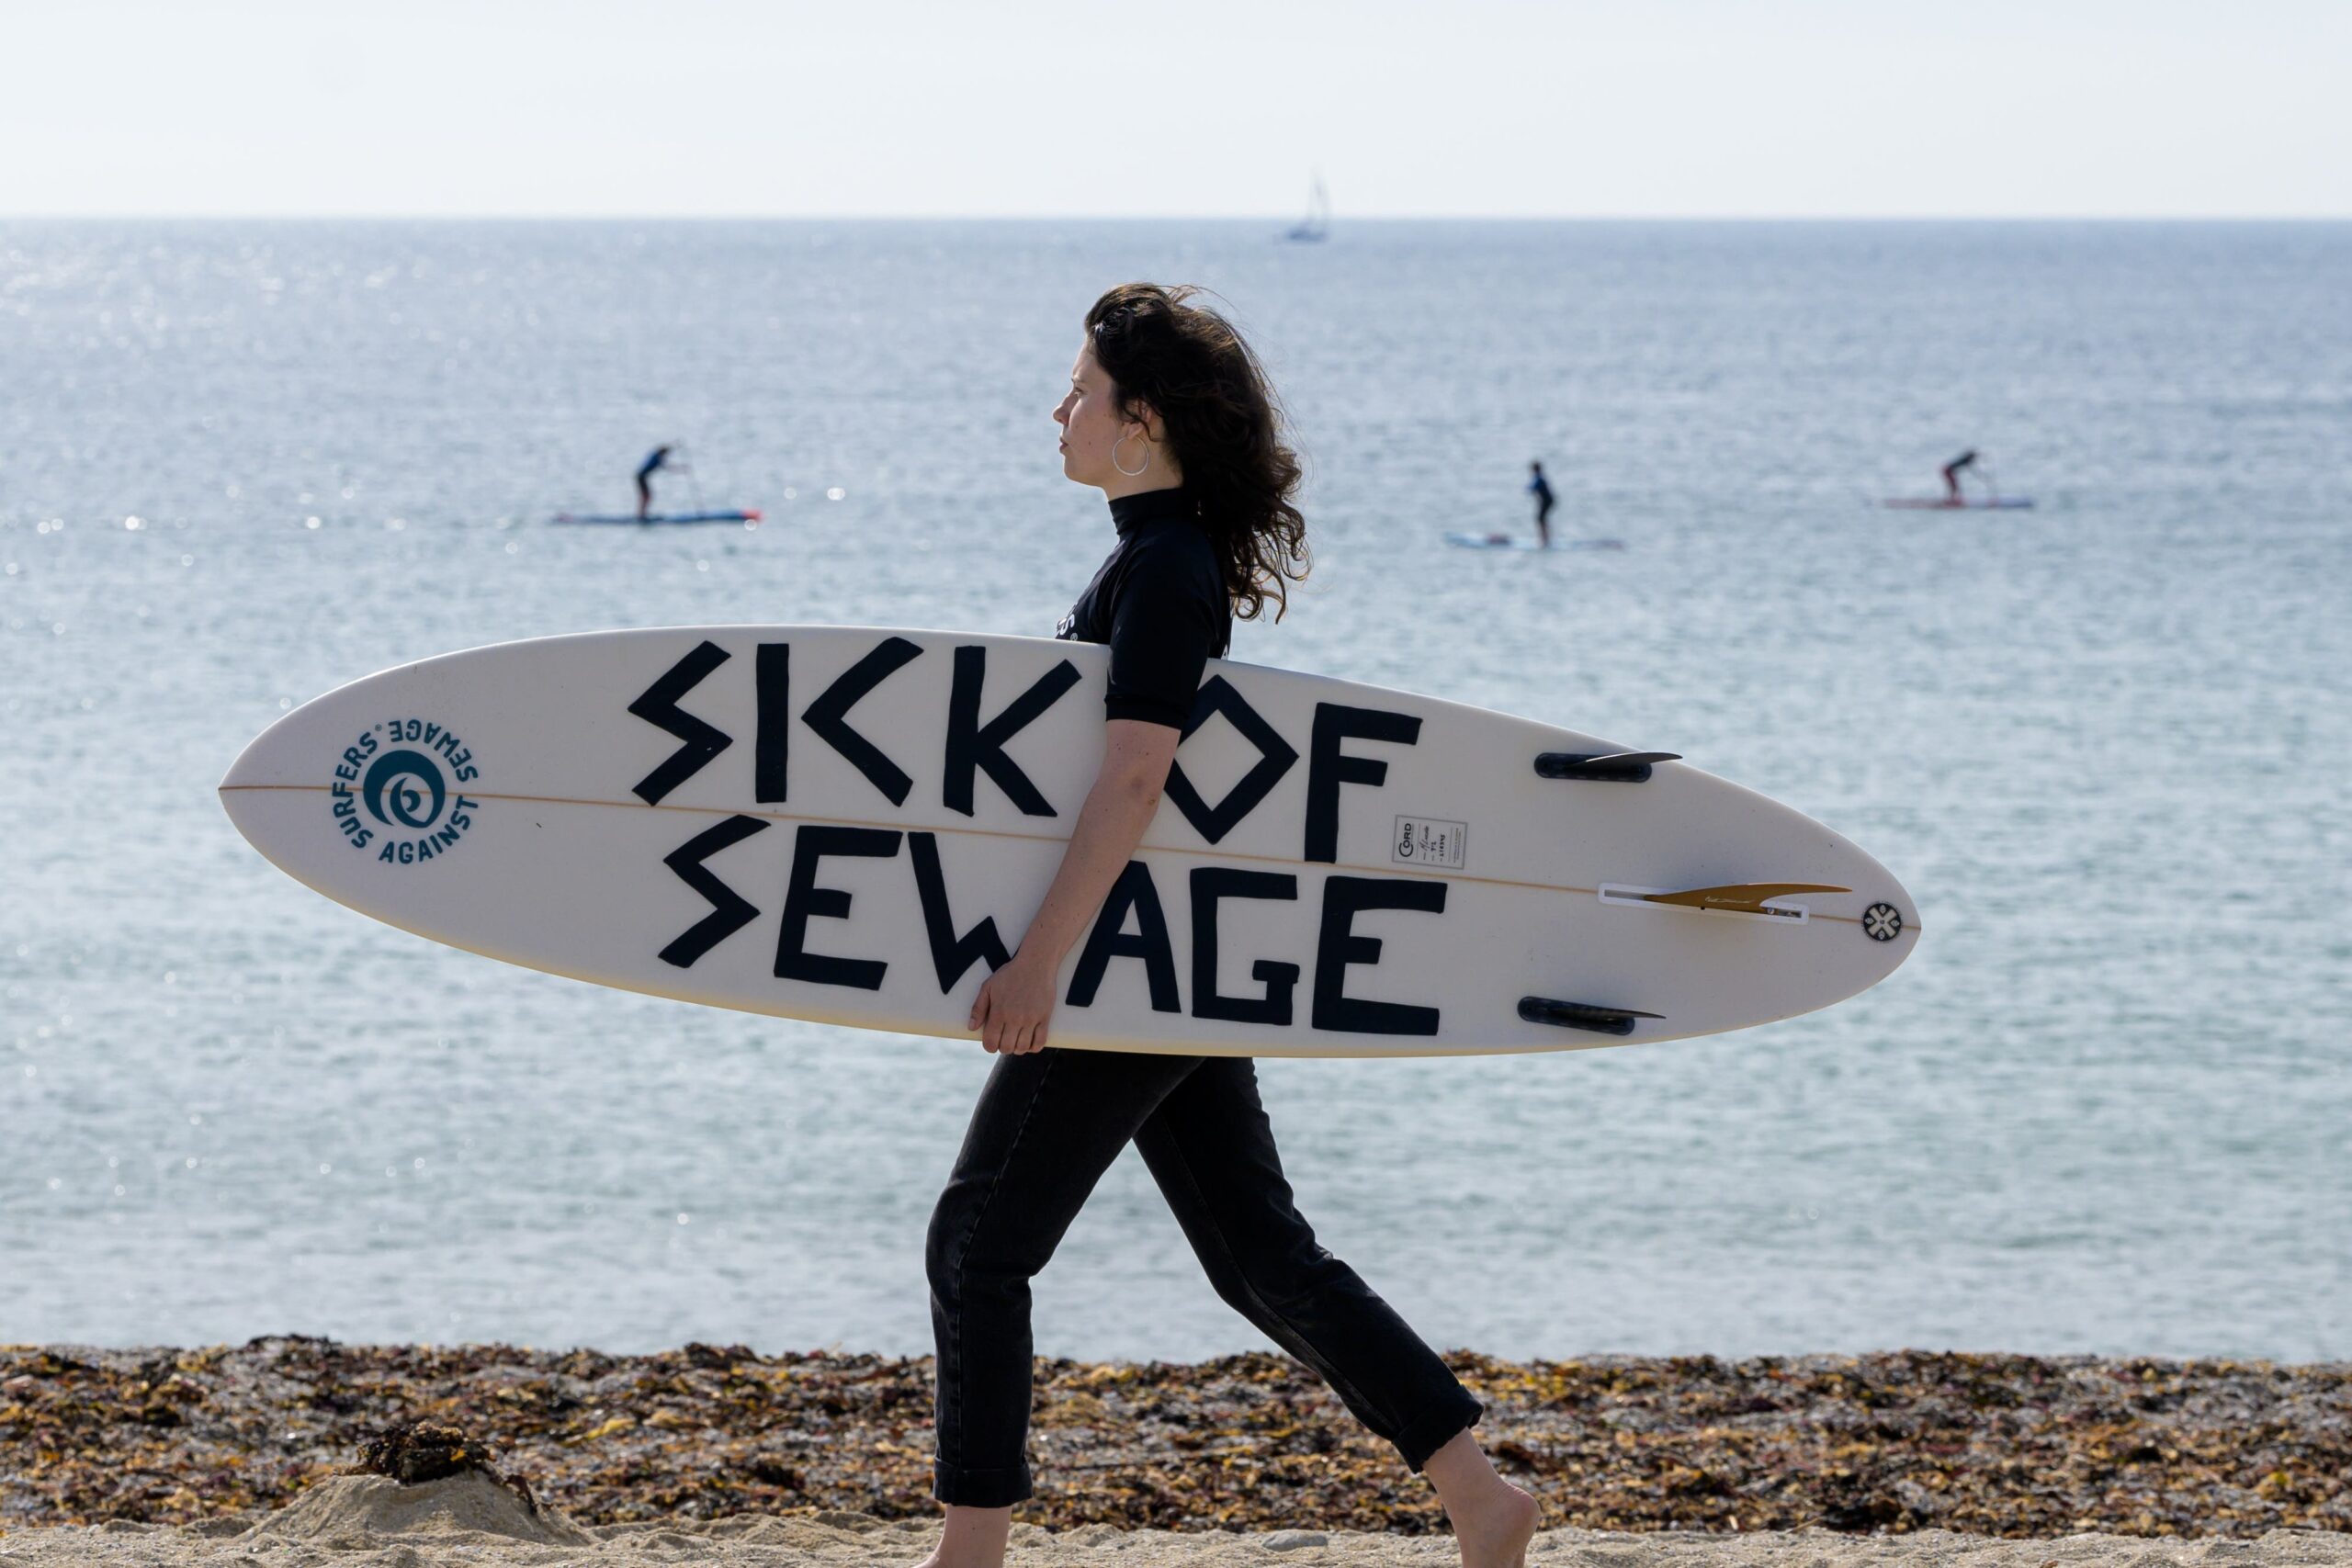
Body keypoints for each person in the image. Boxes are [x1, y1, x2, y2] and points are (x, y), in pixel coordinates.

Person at [916, 283, 1542, 1568]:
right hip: (1168, 966)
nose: (1060, 410)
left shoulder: (1165, 571)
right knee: (1260, 1254)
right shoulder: (1156, 555)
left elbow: (1137, 775)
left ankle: (969, 1550)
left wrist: (1043, 959)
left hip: (1125, 969)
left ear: (1141, 422)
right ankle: (1481, 1494)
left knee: (978, 1243)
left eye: (1081, 392)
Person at [634, 445, 673, 521]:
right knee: (646, 496)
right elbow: (667, 467)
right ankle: (641, 515)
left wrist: (673, 446)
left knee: (647, 496)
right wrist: (681, 469)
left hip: (642, 477)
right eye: (666, 454)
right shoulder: (657, 458)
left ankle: (642, 514)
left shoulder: (656, 456)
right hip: (641, 477)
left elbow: (663, 450)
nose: (666, 455)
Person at [1527, 460, 1555, 547]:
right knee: (1541, 518)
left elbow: (1532, 488)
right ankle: (1546, 538)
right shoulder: (1539, 477)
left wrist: (1529, 488)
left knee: (1540, 518)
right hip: (1547, 500)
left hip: (1547, 501)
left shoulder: (1538, 478)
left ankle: (1545, 540)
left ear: (1534, 469)